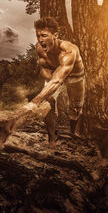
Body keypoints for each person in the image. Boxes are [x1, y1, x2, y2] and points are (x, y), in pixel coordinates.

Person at [27, 17, 85, 148]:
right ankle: (51, 140)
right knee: (48, 102)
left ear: (55, 35)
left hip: (75, 76)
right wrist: (48, 85)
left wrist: (33, 103)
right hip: (55, 74)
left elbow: (59, 79)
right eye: (38, 35)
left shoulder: (69, 50)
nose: (40, 39)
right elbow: (44, 68)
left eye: (44, 35)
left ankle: (72, 130)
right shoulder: (40, 49)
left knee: (76, 108)